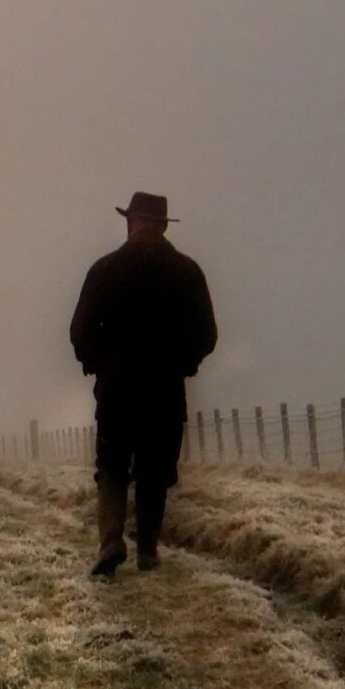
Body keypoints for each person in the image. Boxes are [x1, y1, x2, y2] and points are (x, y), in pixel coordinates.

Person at [69, 191, 217, 577]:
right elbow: (207, 334)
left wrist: (96, 363)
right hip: (165, 390)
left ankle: (111, 540)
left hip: (117, 389)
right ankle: (148, 550)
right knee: (155, 470)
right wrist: (185, 363)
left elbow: (80, 330)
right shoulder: (187, 272)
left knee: (113, 466)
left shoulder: (104, 270)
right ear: (164, 225)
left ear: (130, 222)